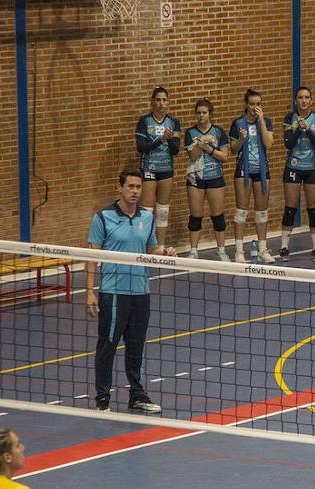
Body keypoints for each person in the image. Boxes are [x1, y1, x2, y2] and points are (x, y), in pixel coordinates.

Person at [85, 170, 176, 414]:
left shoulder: (147, 217)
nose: (135, 191)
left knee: (136, 346)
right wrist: (90, 291)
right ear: (120, 188)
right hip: (113, 292)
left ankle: (137, 395)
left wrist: (164, 252)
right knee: (108, 344)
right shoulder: (103, 217)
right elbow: (91, 256)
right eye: (131, 186)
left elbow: (152, 248)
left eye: (138, 186)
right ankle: (102, 398)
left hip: (140, 291)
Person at [279, 86, 315, 263]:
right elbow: (288, 144)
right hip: (293, 167)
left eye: (307, 97)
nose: (304, 101)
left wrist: (307, 129)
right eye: (300, 97)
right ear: (295, 101)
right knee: (290, 208)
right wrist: (298, 129)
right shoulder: (289, 118)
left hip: (312, 168)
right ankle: (284, 247)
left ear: (311, 101)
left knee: (313, 209)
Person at [228, 89, 275, 263]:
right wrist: (241, 139)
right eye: (252, 104)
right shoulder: (238, 123)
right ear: (246, 104)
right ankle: (239, 251)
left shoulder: (266, 121)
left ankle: (263, 249)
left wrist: (261, 121)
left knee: (262, 212)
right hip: (243, 170)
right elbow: (233, 149)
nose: (255, 107)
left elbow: (269, 143)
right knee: (241, 211)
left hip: (262, 170)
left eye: (258, 104)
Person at [183, 98, 230, 261]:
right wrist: (199, 145)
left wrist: (209, 148)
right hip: (195, 179)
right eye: (198, 113)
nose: (201, 116)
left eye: (204, 112)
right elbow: (193, 156)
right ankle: (193, 251)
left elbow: (224, 156)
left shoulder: (219, 132)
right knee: (195, 216)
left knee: (218, 216)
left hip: (215, 177)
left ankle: (221, 250)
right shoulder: (190, 133)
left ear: (210, 114)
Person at [134, 86, 181, 248]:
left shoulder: (173, 122)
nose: (161, 103)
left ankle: (160, 247)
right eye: (158, 100)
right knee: (147, 211)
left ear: (168, 102)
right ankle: (146, 246)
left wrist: (170, 139)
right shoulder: (144, 121)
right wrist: (161, 139)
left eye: (164, 100)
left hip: (166, 169)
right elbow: (141, 147)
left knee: (162, 210)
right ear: (153, 102)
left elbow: (175, 150)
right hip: (149, 168)